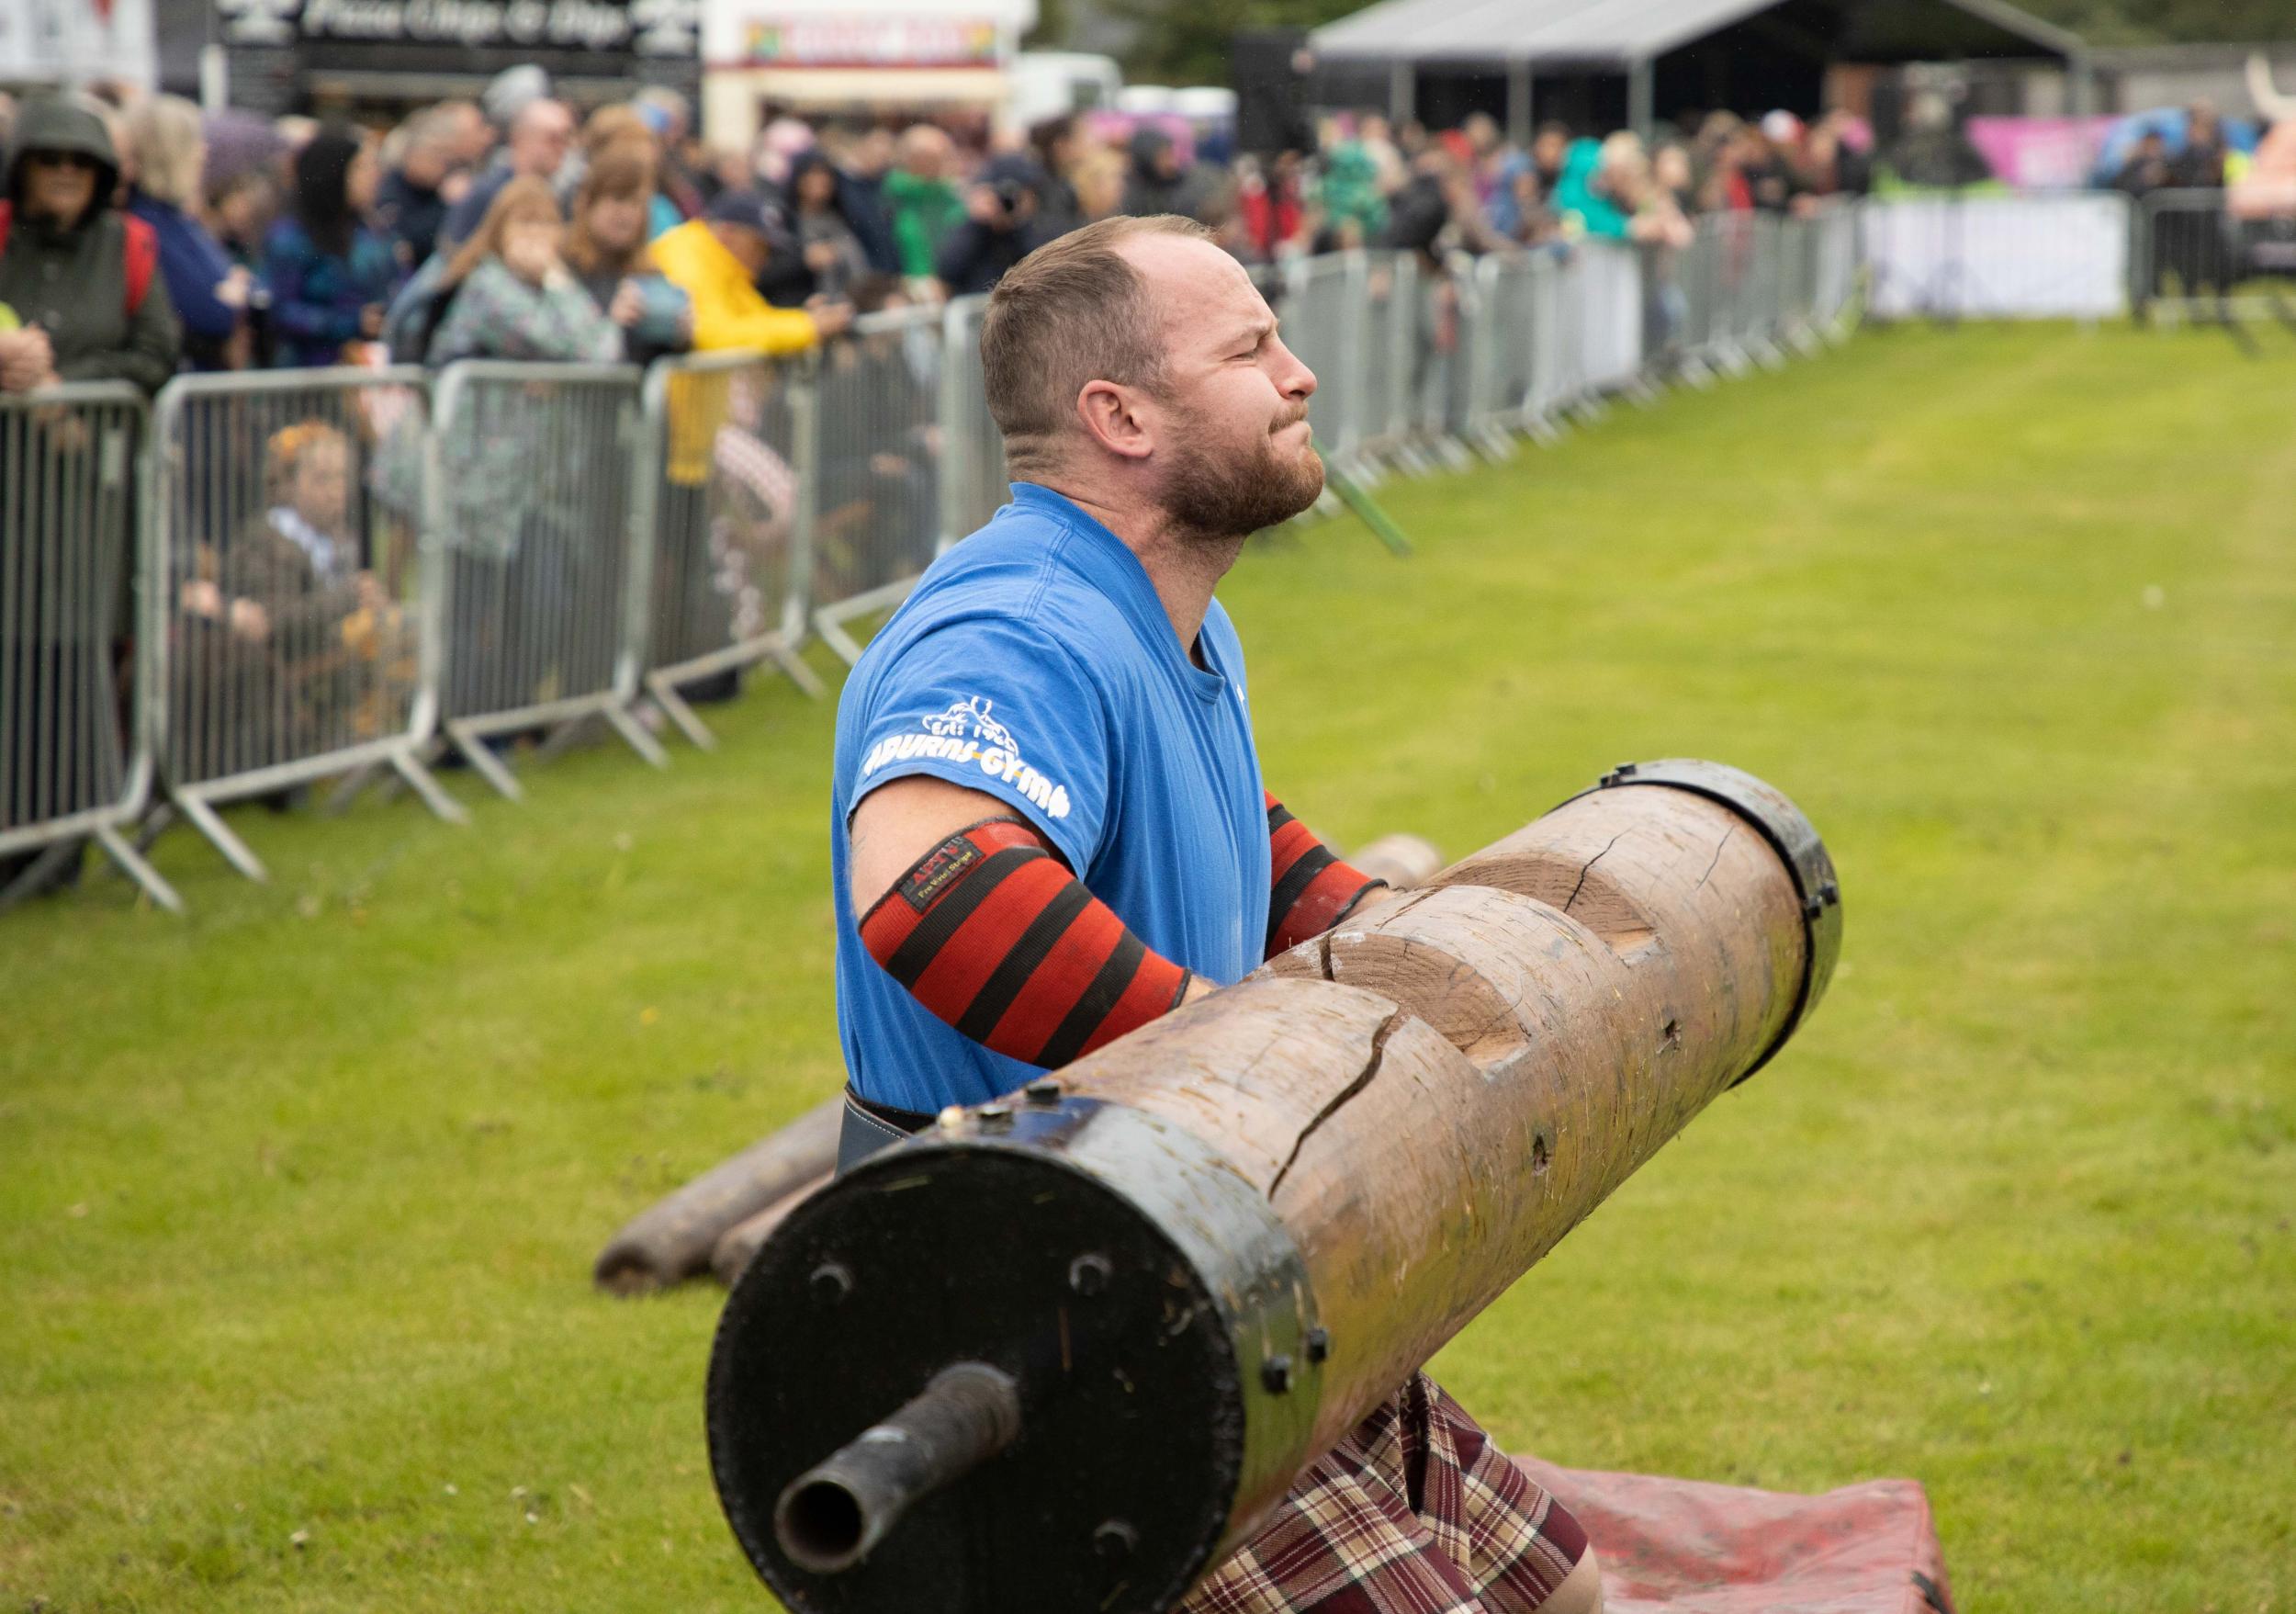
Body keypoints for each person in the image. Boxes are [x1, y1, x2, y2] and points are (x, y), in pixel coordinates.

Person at [827, 212, 1604, 1614]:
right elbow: (932, 891)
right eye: (1250, 347)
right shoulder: (1017, 621)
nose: (1299, 374)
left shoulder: (1165, 610)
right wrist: (1242, 1051)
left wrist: (1390, 955)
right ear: (1118, 413)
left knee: (1566, 1592)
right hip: (1027, 1305)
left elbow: (1219, 820)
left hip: (1192, 1245)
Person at [0, 95, 182, 392]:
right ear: (22, 166)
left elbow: (157, 355)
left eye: (83, 161)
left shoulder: (130, 242)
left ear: (101, 173)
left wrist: (64, 385)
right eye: (50, 158)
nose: (66, 171)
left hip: (92, 432)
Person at [422, 177, 620, 366]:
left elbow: (603, 354)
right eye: (524, 222)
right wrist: (556, 282)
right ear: (500, 231)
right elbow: (551, 342)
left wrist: (557, 281)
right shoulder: (486, 281)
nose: (535, 233)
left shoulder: (556, 280)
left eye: (547, 223)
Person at [124, 94, 252, 371]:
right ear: (168, 152)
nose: (203, 151)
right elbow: (213, 312)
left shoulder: (178, 220)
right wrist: (234, 295)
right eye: (193, 140)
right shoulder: (149, 225)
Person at [262, 127, 399, 367]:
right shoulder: (292, 237)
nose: (374, 175)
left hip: (366, 368)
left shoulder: (373, 231)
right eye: (361, 167)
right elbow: (280, 310)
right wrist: (349, 323)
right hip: (309, 376)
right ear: (333, 171)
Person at [563, 141, 692, 367]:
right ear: (587, 202)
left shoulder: (651, 272)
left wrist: (682, 338)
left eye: (637, 203)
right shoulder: (563, 269)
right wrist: (611, 326)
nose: (627, 213)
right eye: (618, 199)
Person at [439, 96, 575, 249]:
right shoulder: (485, 194)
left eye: (566, 138)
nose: (562, 148)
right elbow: (455, 255)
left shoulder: (566, 196)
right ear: (519, 138)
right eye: (552, 139)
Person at [933, 153, 1056, 296]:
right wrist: (977, 223)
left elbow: (1043, 266)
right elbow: (948, 269)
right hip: (979, 305)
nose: (1010, 202)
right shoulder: (975, 226)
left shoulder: (1041, 222)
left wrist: (1020, 224)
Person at [373, 107, 463, 273]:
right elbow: (403, 245)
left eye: (447, 154)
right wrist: (446, 203)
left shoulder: (439, 190)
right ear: (411, 151)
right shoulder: (387, 188)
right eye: (436, 152)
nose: (443, 162)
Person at [784, 148, 873, 306]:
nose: (819, 181)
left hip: (845, 303)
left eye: (824, 175)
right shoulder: (784, 221)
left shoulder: (841, 218)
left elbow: (859, 267)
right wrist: (803, 260)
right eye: (812, 174)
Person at [883, 124, 965, 284]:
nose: (933, 166)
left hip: (949, 283)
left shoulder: (952, 197)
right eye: (927, 159)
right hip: (905, 284)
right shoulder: (893, 195)